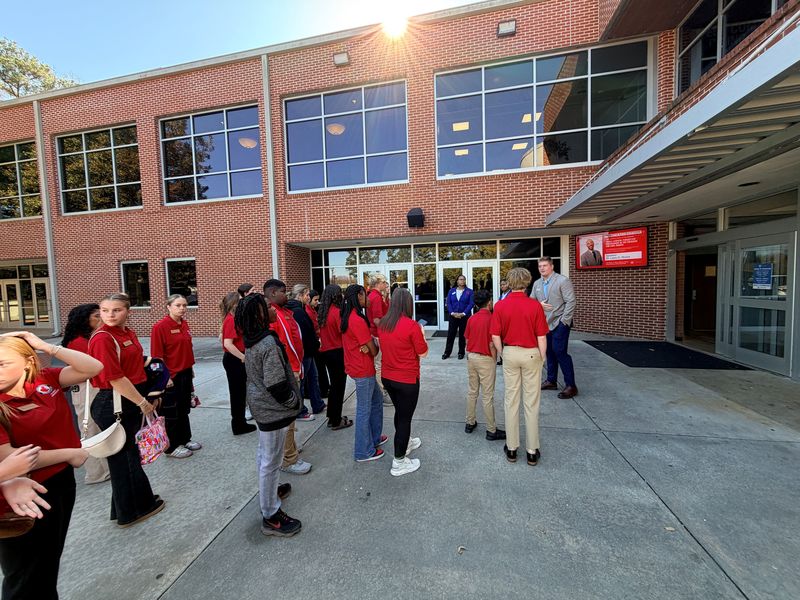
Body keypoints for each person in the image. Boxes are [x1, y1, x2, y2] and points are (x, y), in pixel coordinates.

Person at [0, 331, 100, 599]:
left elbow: (93, 367)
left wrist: (46, 347)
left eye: (2, 364)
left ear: (28, 362)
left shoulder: (45, 379)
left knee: (47, 564)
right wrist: (68, 453)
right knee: (23, 574)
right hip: (22, 492)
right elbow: (10, 457)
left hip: (59, 483)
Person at [88, 293, 165, 527]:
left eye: (116, 310)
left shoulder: (126, 333)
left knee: (126, 457)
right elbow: (115, 378)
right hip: (115, 403)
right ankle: (133, 511)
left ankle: (126, 507)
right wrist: (143, 403)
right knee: (126, 459)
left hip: (127, 399)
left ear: (127, 311)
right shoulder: (103, 338)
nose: (110, 315)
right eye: (105, 310)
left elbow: (132, 364)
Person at [235, 294, 303, 537]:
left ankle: (270, 492)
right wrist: (293, 401)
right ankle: (271, 515)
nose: (274, 309)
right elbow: (276, 384)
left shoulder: (254, 339)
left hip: (262, 405)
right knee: (271, 462)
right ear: (261, 315)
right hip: (272, 410)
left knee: (265, 456)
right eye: (268, 307)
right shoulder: (267, 344)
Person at [490, 268, 549, 467]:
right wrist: (543, 358)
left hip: (510, 353)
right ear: (527, 282)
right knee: (531, 403)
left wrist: (502, 353)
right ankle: (532, 451)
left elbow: (495, 335)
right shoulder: (534, 306)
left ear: (510, 282)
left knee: (511, 401)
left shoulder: (500, 306)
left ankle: (512, 447)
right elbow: (542, 336)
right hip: (532, 352)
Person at [263, 280, 312, 476]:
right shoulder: (274, 315)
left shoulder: (284, 312)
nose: (287, 295)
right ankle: (288, 459)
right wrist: (293, 369)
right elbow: (283, 345)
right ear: (273, 293)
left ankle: (289, 449)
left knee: (291, 418)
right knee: (287, 420)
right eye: (284, 292)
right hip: (287, 371)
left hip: (294, 367)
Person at [377, 288, 427, 477]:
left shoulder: (383, 323)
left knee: (401, 413)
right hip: (406, 379)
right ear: (408, 304)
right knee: (405, 418)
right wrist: (421, 334)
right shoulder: (412, 325)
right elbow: (423, 352)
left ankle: (405, 443)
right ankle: (399, 462)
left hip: (388, 378)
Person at [61, 302, 110, 484]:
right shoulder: (78, 342)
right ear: (84, 320)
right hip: (85, 389)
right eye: (97, 316)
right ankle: (95, 473)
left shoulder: (92, 337)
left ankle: (104, 469)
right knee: (89, 430)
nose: (102, 318)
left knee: (98, 428)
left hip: (95, 386)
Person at [151, 294, 201, 458]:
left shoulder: (184, 324)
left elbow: (187, 348)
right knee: (172, 411)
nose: (182, 309)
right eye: (178, 305)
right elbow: (157, 356)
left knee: (184, 408)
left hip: (185, 372)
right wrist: (164, 378)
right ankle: (171, 447)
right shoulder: (160, 327)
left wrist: (190, 369)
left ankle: (185, 438)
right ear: (168, 307)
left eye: (184, 305)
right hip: (171, 376)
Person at [341, 284, 386, 462]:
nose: (367, 299)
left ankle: (374, 438)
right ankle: (363, 451)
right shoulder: (356, 320)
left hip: (358, 366)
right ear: (358, 297)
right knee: (364, 410)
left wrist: (369, 344)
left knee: (376, 401)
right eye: (364, 295)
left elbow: (367, 346)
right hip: (363, 369)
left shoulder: (349, 316)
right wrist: (373, 344)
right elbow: (374, 351)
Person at [531, 256, 578, 399]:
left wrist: (565, 321)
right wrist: (538, 305)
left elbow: (571, 302)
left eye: (545, 265)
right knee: (549, 352)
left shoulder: (563, 281)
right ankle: (551, 381)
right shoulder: (537, 283)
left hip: (559, 323)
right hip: (544, 324)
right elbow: (532, 301)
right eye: (540, 266)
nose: (542, 268)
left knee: (560, 352)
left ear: (552, 266)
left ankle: (571, 386)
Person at [463, 290, 505, 441]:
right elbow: (492, 344)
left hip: (472, 357)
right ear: (489, 302)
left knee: (472, 391)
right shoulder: (493, 319)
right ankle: (491, 430)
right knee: (487, 396)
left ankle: (470, 422)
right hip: (486, 358)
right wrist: (494, 360)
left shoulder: (471, 319)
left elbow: (467, 340)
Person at [286, 284, 326, 416]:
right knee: (301, 382)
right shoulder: (297, 311)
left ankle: (317, 404)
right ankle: (300, 410)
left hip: (308, 351)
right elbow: (303, 334)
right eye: (307, 295)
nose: (309, 297)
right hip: (304, 352)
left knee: (313, 378)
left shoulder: (300, 309)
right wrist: (314, 345)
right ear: (300, 295)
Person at [221, 292, 257, 435]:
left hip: (237, 358)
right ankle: (238, 424)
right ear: (234, 304)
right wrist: (243, 357)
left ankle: (240, 422)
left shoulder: (235, 318)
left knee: (240, 393)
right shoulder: (230, 320)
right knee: (237, 394)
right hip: (234, 360)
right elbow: (228, 344)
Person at [317, 285, 351, 430]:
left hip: (326, 352)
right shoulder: (337, 312)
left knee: (334, 387)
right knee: (339, 387)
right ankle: (336, 420)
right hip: (337, 352)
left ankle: (332, 416)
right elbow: (343, 332)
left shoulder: (322, 312)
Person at [366, 274, 391, 405]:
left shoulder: (374, 296)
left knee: (378, 364)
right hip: (377, 334)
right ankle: (381, 394)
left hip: (376, 334)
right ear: (378, 283)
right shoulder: (375, 297)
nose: (385, 284)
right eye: (384, 282)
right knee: (379, 365)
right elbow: (376, 320)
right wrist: (387, 332)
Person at [442, 274, 473, 360]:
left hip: (464, 316)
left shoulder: (469, 291)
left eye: (463, 279)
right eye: (460, 279)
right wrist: (452, 313)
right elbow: (448, 303)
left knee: (463, 335)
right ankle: (447, 352)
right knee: (451, 334)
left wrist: (463, 313)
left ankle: (461, 352)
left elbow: (471, 304)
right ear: (457, 281)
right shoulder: (451, 291)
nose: (462, 281)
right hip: (453, 316)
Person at [307, 289, 330, 398]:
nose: (317, 302)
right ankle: (323, 389)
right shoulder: (308, 312)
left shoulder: (313, 310)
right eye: (315, 300)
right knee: (319, 368)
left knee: (321, 368)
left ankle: (324, 387)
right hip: (315, 343)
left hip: (319, 341)